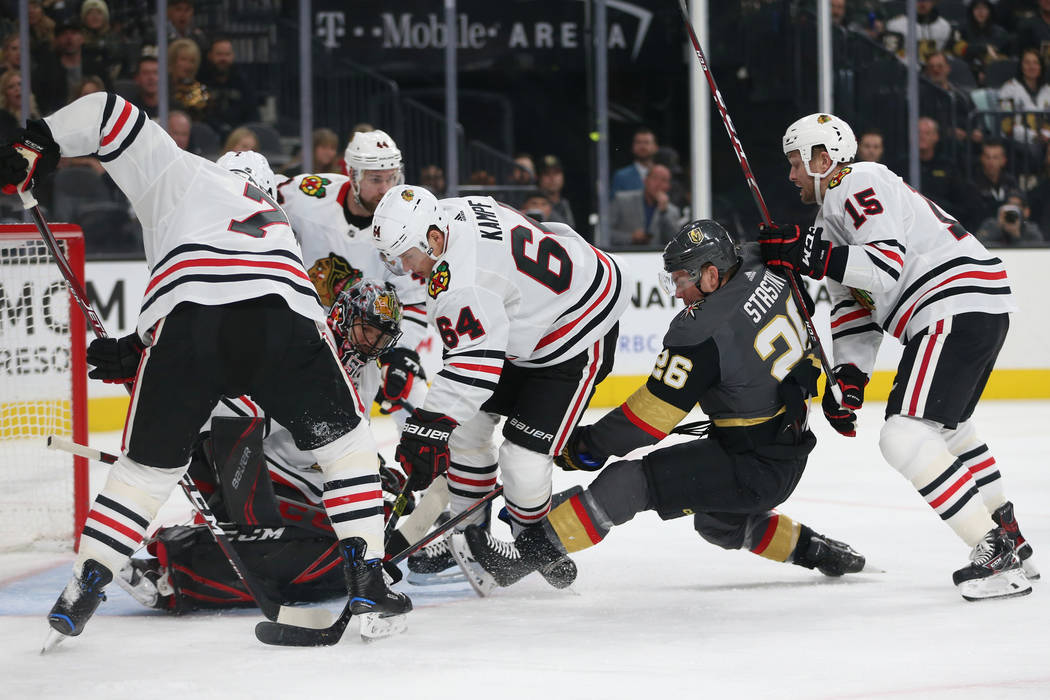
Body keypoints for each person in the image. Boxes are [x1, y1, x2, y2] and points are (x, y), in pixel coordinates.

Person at [0, 92, 411, 647]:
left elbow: (105, 111)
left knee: (144, 473)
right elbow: (247, 303)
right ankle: (368, 582)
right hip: (281, 317)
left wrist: (38, 142)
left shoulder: (182, 172)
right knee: (349, 450)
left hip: (188, 323)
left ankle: (83, 586)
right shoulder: (276, 220)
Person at [448, 221, 867, 591]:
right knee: (720, 523)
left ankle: (521, 559)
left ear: (711, 273)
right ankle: (819, 550)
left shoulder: (702, 330)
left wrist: (586, 446)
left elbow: (647, 420)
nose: (678, 293)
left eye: (682, 280)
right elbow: (799, 295)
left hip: (754, 462)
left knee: (629, 483)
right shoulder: (769, 269)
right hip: (782, 444)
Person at [757, 112, 1035, 601]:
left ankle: (995, 554)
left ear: (824, 159)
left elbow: (886, 264)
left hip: (953, 303)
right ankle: (1010, 536)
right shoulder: (831, 218)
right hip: (972, 305)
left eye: (796, 162)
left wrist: (808, 253)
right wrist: (849, 378)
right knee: (950, 431)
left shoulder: (859, 179)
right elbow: (854, 309)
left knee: (904, 435)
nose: (792, 174)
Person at [369, 184, 630, 588]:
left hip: (576, 333)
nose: (405, 269)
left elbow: (475, 366)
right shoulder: (447, 212)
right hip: (526, 319)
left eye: (406, 257)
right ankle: (467, 537)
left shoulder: (462, 281)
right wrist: (435, 429)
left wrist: (425, 428)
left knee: (522, 460)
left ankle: (535, 545)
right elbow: (475, 350)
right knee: (464, 432)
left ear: (433, 239)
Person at [117, 280, 413, 612]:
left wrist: (374, 467)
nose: (372, 343)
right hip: (256, 465)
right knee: (343, 538)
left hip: (298, 473)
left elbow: (346, 431)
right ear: (344, 316)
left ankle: (182, 564)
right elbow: (241, 412)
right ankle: (176, 568)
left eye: (381, 337)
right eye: (367, 330)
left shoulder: (367, 370)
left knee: (340, 556)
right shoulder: (306, 343)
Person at [276, 129, 429, 422]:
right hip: (302, 330)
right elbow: (259, 191)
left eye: (391, 177)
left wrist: (401, 354)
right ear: (352, 174)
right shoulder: (310, 194)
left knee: (413, 393)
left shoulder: (407, 222)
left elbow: (414, 303)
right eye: (375, 179)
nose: (386, 189)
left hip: (365, 340)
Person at [198, 35, 258, 140]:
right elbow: (199, 115)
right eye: (219, 54)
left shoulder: (243, 83)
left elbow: (252, 115)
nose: (223, 59)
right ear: (210, 56)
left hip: (239, 139)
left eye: (227, 54)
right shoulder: (200, 82)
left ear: (233, 56)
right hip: (207, 138)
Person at [608, 163, 681, 247]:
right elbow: (604, 233)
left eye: (664, 180)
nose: (659, 184)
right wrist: (630, 238)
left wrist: (664, 212)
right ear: (645, 180)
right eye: (655, 178)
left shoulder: (672, 211)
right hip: (624, 255)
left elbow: (676, 243)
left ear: (668, 186)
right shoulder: (621, 200)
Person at [996, 48, 1050, 147]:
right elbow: (1005, 124)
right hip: (1018, 141)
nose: (1032, 67)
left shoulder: (1048, 90)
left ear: (1041, 67)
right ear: (1021, 66)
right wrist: (1034, 137)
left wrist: (1046, 136)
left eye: (1036, 63)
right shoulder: (1008, 89)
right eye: (1027, 63)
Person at [885, 0, 955, 63]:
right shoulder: (895, 25)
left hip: (934, 71)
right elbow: (891, 55)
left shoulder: (945, 26)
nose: (922, 4)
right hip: (904, 72)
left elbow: (949, 55)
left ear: (934, 2)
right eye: (918, 0)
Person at [973, 140, 1021, 225]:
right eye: (987, 157)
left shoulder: (1010, 182)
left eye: (995, 157)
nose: (991, 162)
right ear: (982, 159)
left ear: (1003, 160)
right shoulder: (973, 183)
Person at [974, 189, 1046, 245]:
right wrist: (999, 227)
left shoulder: (1030, 229)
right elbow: (978, 245)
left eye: (1016, 205)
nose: (1011, 209)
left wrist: (1016, 234)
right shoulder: (990, 224)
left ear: (1026, 211)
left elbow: (1037, 251)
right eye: (1009, 204)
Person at [611, 126, 657, 197]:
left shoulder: (663, 175)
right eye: (638, 142)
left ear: (655, 147)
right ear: (632, 147)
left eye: (647, 142)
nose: (642, 146)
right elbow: (614, 205)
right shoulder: (621, 176)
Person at [168, 37, 207, 120]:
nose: (188, 66)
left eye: (192, 61)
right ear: (173, 60)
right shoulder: (160, 86)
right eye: (183, 59)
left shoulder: (200, 90)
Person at [536, 154, 575, 228]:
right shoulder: (531, 201)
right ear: (538, 178)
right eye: (546, 174)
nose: (552, 178)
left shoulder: (565, 203)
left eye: (556, 173)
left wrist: (549, 211)